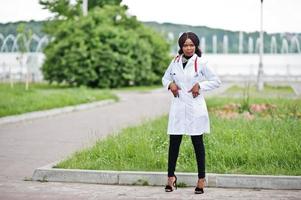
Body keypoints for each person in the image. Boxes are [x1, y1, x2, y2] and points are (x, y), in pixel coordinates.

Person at [162, 32, 221, 194]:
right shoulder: (174, 62)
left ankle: (201, 179)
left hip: (195, 108)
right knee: (174, 143)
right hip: (178, 107)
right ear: (181, 47)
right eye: (185, 45)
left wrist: (200, 86)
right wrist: (170, 85)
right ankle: (170, 178)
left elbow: (216, 81)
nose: (188, 48)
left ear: (196, 46)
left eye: (191, 45)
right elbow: (165, 78)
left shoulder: (201, 63)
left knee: (197, 143)